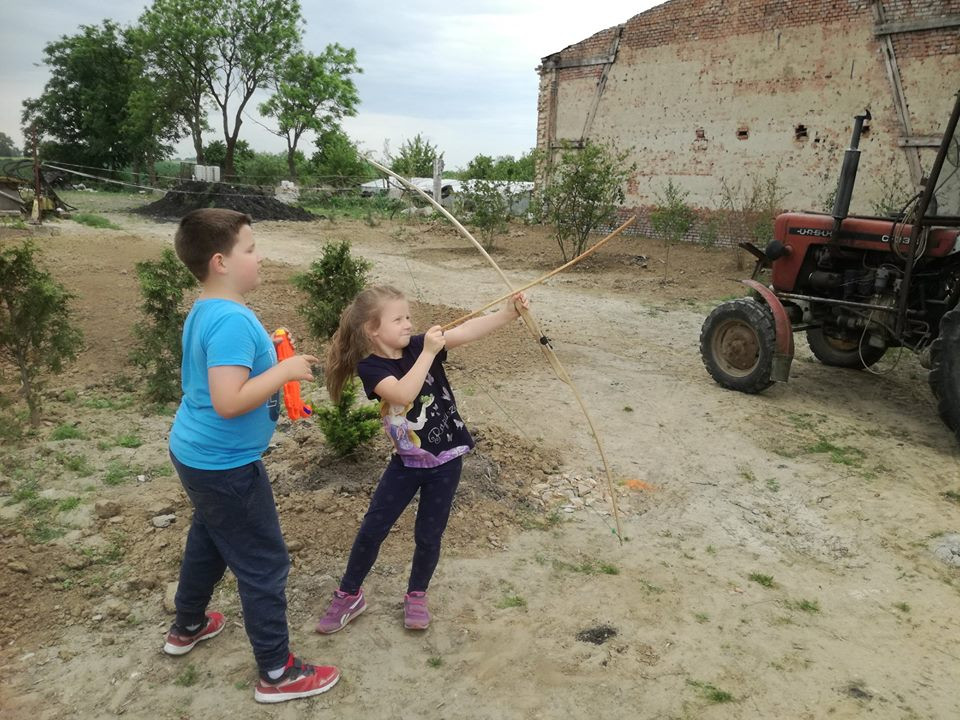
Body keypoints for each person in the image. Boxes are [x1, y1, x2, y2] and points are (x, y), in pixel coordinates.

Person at [163, 208, 339, 704]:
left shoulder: (208, 308)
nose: (260, 258)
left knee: (210, 537)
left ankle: (188, 624)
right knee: (263, 561)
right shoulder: (232, 321)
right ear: (220, 261)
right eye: (251, 249)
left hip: (198, 453)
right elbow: (229, 398)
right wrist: (287, 371)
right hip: (224, 464)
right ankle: (278, 672)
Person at [316, 284, 528, 633]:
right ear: (373, 329)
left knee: (429, 534)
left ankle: (417, 594)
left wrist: (508, 313)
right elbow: (402, 393)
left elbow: (464, 332)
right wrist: (428, 352)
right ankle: (349, 594)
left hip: (446, 462)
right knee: (372, 529)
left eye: (408, 317)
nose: (407, 324)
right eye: (397, 318)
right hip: (406, 465)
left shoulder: (418, 345)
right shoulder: (372, 367)